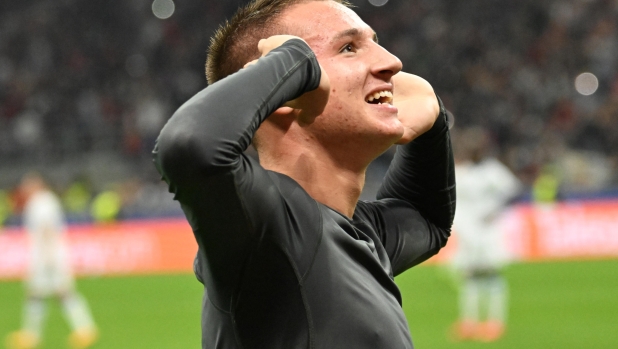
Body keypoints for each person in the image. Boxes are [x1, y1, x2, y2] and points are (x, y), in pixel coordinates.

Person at [153, 0, 455, 348]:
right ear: (286, 92)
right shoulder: (269, 232)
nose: (392, 62)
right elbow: (190, 147)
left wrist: (434, 125)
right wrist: (290, 60)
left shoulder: (353, 234)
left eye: (375, 42)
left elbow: (427, 219)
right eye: (348, 48)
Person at [5, 173, 98, 349]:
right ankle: (83, 330)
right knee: (46, 294)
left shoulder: (41, 203)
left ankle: (34, 335)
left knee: (53, 293)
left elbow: (46, 229)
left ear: (37, 185)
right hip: (49, 255)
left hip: (47, 257)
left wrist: (48, 258)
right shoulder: (46, 201)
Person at [450, 127, 521, 342]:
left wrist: (495, 211)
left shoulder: (493, 171)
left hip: (489, 234)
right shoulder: (461, 172)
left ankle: (495, 322)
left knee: (492, 277)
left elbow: (514, 191)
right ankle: (469, 322)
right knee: (468, 278)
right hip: (469, 235)